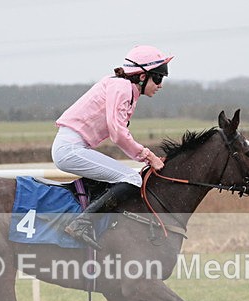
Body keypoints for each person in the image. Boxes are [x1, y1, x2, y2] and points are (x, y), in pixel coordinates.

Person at [52, 45, 173, 249]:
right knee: (132, 178)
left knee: (123, 177)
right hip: (70, 149)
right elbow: (118, 133)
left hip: (75, 147)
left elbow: (120, 133)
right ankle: (81, 224)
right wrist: (148, 156)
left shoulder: (126, 89)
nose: (160, 85)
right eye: (158, 78)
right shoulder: (122, 88)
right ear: (142, 76)